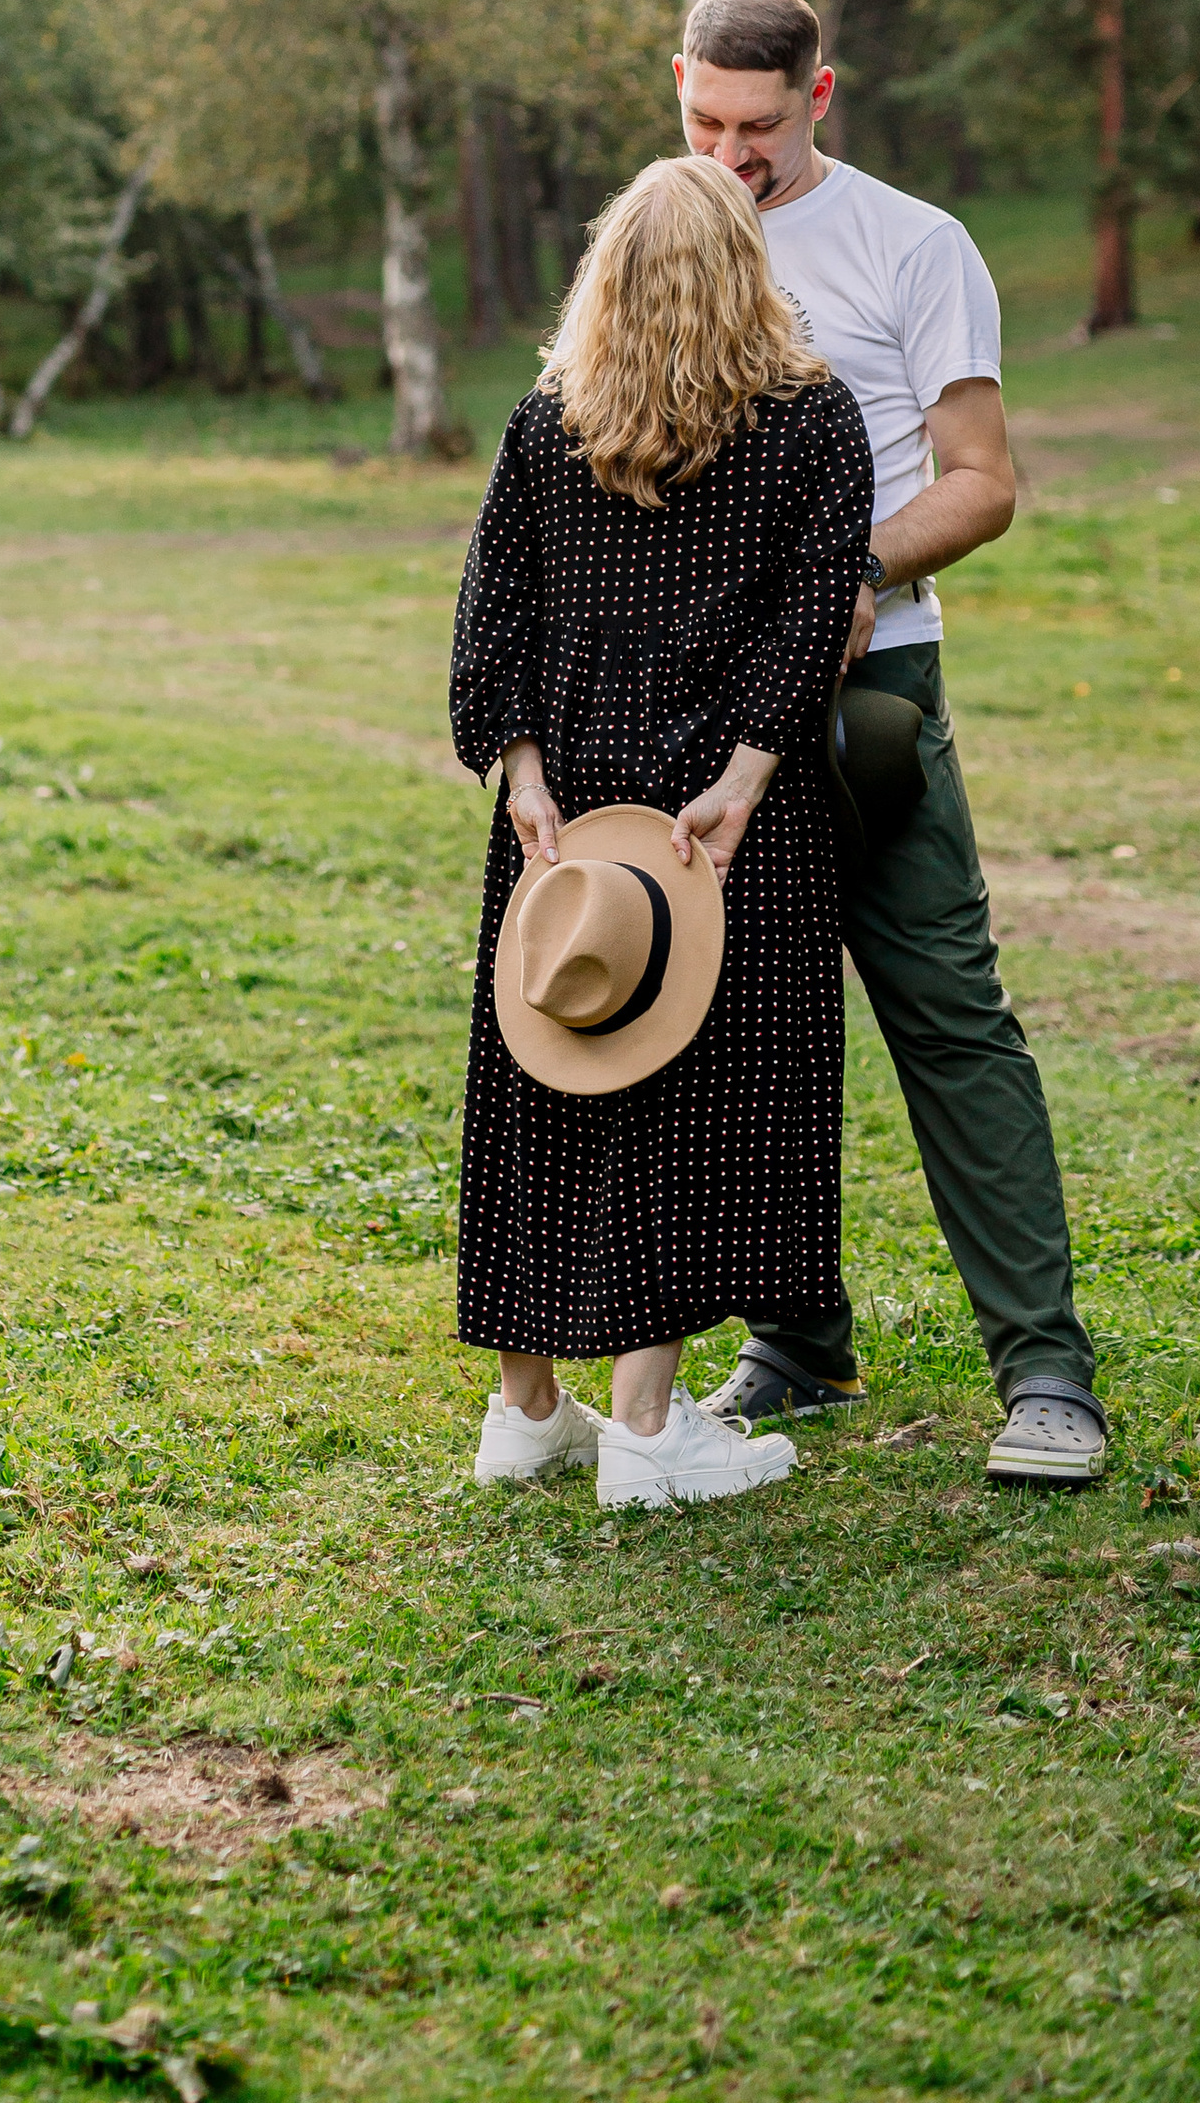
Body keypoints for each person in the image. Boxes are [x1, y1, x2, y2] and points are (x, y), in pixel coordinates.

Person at [674, 0, 1104, 1487]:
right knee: (737, 1025)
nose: (731, 156)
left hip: (868, 698)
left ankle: (1046, 1374)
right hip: (697, 699)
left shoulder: (913, 245)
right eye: (705, 121)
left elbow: (980, 479)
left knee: (948, 1018)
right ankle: (797, 1343)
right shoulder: (662, 230)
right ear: (679, 87)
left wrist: (850, 574)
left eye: (759, 126)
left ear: (819, 95)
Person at [450, 153, 874, 1511]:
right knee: (699, 1096)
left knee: (544, 1078)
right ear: (750, 274)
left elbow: (491, 609)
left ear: (607, 276)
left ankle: (526, 1410)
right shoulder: (812, 423)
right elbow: (819, 612)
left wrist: (521, 771)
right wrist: (746, 775)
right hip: (714, 819)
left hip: (569, 819)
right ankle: (644, 1427)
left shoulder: (547, 422)